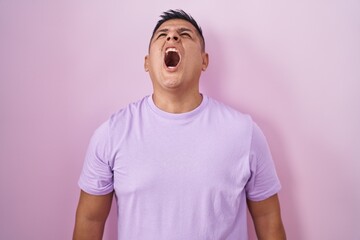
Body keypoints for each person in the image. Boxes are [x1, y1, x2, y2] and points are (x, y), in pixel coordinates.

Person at [73, 9, 286, 240]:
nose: (172, 38)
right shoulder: (111, 134)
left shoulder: (244, 133)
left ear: (204, 61)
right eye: (162, 35)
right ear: (147, 62)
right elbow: (90, 220)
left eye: (185, 34)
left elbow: (268, 219)